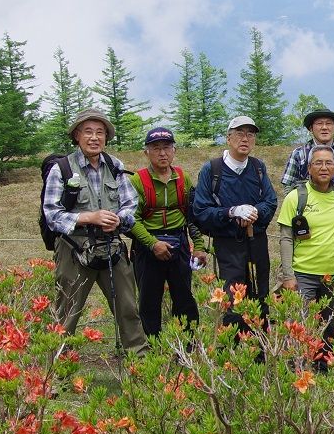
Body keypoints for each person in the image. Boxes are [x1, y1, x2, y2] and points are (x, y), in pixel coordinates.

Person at [41, 108, 147, 353]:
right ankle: (57, 376)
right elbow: (51, 215)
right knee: (67, 313)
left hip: (112, 247)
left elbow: (131, 204)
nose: (94, 137)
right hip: (73, 250)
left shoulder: (115, 165)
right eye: (88, 131)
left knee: (128, 308)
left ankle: (140, 368)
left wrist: (118, 220)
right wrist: (89, 217)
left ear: (106, 137)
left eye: (100, 132)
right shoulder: (62, 169)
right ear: (77, 135)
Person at [192, 116, 278, 334]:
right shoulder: (212, 170)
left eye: (250, 134)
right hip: (228, 244)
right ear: (228, 138)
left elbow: (270, 201)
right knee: (233, 296)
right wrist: (231, 212)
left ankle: (260, 350)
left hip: (257, 242)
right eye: (239, 133)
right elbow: (201, 211)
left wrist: (256, 212)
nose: (245, 139)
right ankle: (234, 350)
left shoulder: (258, 168)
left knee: (260, 293)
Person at [277, 145, 334, 365]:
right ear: (309, 168)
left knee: (331, 324)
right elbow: (285, 238)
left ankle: (324, 367)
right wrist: (288, 276)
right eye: (318, 163)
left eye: (329, 163)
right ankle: (298, 367)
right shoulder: (296, 197)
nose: (324, 167)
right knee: (302, 324)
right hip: (304, 274)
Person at [129, 126, 207, 337]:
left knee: (184, 299)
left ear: (174, 150)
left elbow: (192, 215)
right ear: (146, 152)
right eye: (156, 148)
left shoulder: (183, 178)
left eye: (166, 147)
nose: (162, 153)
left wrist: (198, 246)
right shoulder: (137, 181)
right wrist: (153, 244)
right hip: (147, 247)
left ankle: (186, 346)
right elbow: (130, 219)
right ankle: (152, 349)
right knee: (148, 301)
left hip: (178, 243)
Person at [282, 106, 334, 220]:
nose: (324, 127)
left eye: (329, 123)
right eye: (319, 123)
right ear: (311, 128)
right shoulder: (299, 154)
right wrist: (295, 213)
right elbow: (288, 186)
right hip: (308, 215)